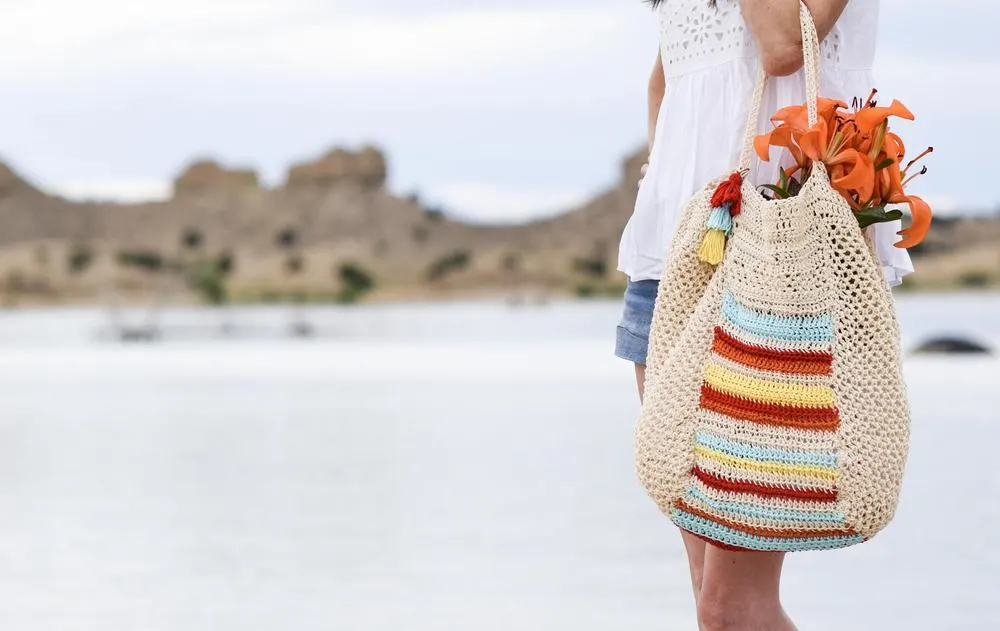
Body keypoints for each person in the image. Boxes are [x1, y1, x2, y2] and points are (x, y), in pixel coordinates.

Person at [615, 1, 912, 630]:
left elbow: (782, 42)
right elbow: (670, 68)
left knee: (728, 607)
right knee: (707, 593)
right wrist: (660, 169)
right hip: (678, 250)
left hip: (782, 254)